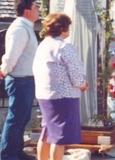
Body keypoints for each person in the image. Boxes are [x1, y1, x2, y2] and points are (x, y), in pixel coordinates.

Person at [33, 13, 89, 160]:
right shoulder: (64, 47)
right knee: (59, 137)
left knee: (46, 132)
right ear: (63, 28)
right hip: (63, 97)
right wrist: (83, 84)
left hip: (44, 95)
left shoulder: (43, 45)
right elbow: (76, 75)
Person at [0, 0, 39, 160]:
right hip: (19, 79)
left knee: (22, 118)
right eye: (36, 7)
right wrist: (5, 69)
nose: (39, 10)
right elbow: (11, 56)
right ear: (27, 10)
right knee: (16, 119)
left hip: (25, 79)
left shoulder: (26, 27)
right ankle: (8, 155)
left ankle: (16, 152)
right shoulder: (20, 29)